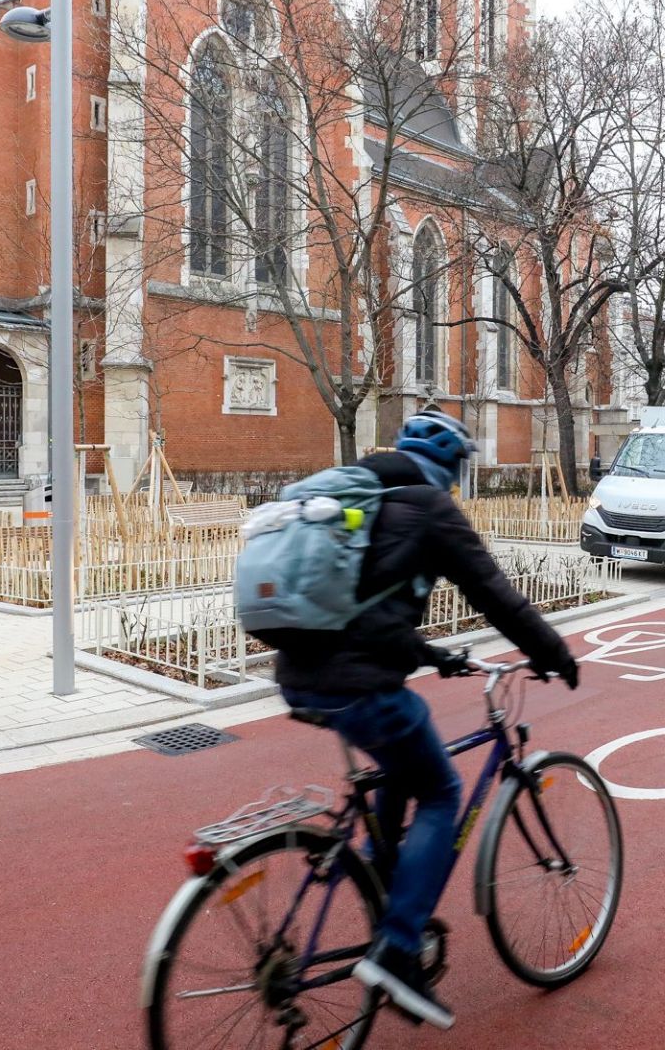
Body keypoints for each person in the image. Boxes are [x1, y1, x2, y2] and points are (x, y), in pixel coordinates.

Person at [263, 409, 579, 1030]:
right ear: (451, 468)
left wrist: (432, 655)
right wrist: (553, 651)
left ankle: (383, 887)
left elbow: (363, 605)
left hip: (299, 678)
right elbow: (494, 593)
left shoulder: (362, 495)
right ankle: (398, 948)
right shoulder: (430, 509)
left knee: (401, 766)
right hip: (359, 687)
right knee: (441, 790)